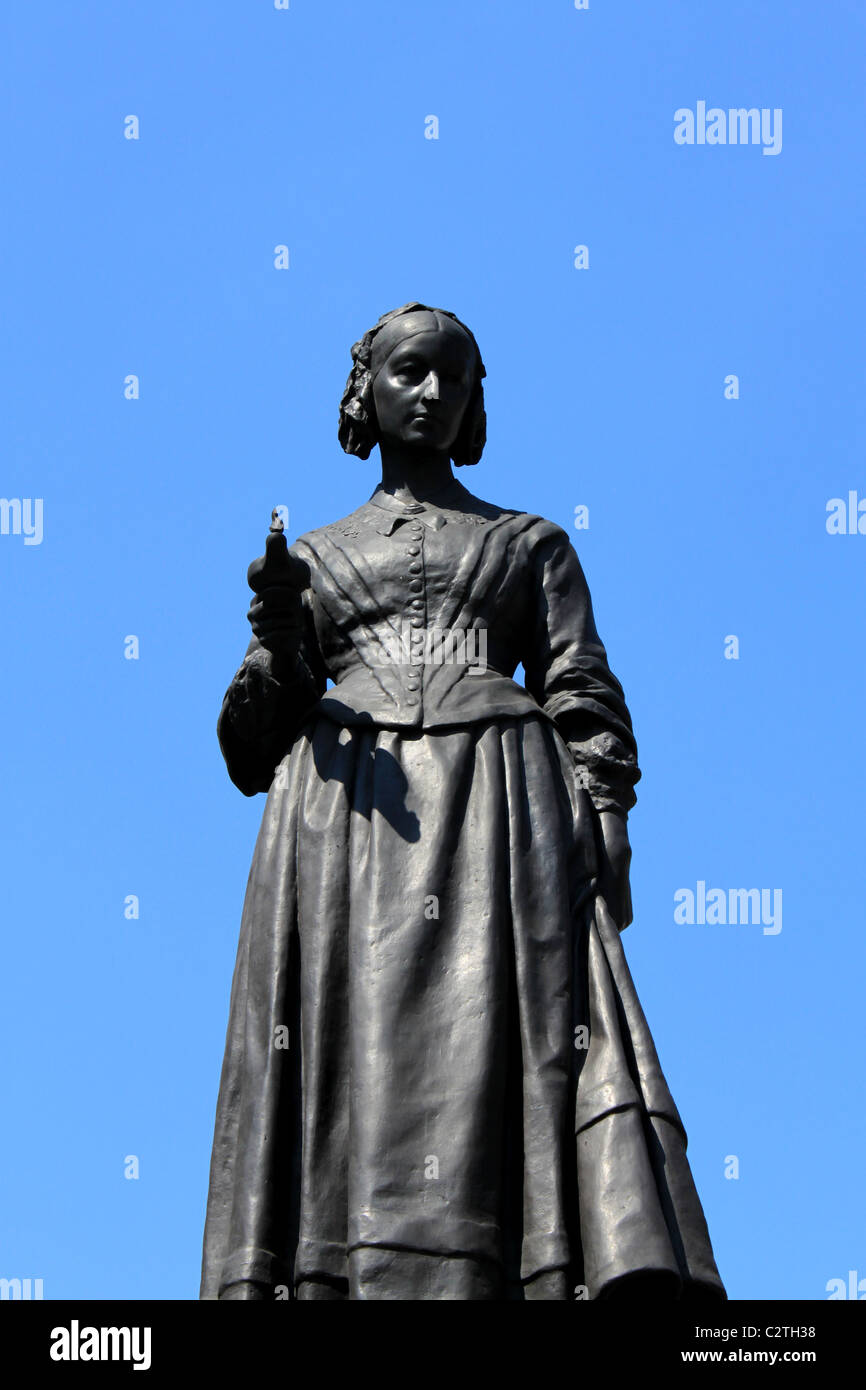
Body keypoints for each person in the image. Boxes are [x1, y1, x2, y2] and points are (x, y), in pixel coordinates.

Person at [200, 303, 725, 1301]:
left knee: (498, 1061)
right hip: (343, 819)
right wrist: (275, 633)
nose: (433, 393)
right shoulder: (310, 559)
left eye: (455, 378)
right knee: (345, 1063)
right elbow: (243, 749)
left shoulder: (533, 544)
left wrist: (605, 824)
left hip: (503, 820)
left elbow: (580, 690)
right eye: (409, 372)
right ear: (365, 388)